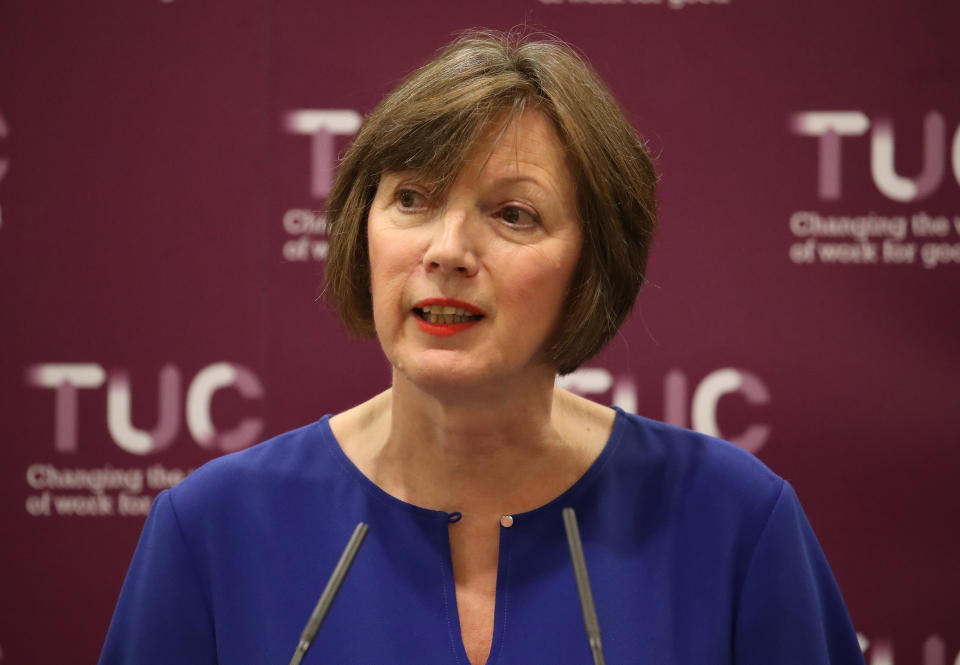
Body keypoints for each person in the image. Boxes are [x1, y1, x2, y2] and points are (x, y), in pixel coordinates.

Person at [99, 31, 865, 665]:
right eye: (412, 198)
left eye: (512, 214)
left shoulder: (736, 520)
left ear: (591, 265)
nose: (448, 249)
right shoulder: (210, 528)